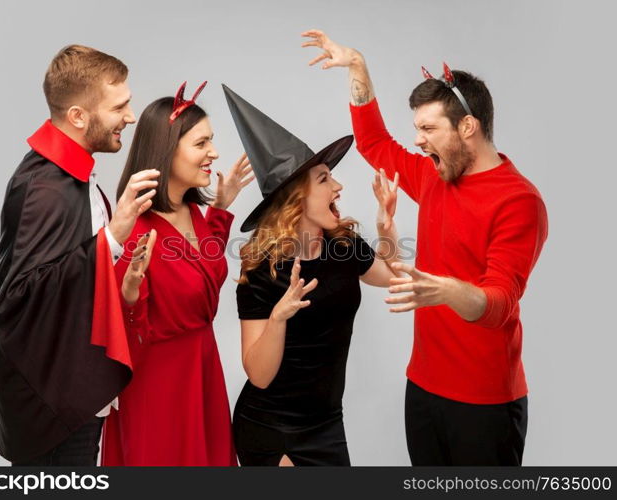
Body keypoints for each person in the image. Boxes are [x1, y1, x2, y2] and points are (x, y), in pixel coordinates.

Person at [302, 29, 549, 465]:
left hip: (485, 403)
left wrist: (446, 289)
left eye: (429, 129)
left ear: (468, 127)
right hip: (422, 388)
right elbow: (376, 144)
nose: (418, 140)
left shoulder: (519, 201)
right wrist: (357, 67)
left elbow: (499, 304)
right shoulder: (435, 177)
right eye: (417, 129)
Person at [0, 45, 161, 465]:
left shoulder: (69, 174)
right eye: (120, 106)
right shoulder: (44, 187)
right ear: (79, 116)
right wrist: (112, 237)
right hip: (54, 408)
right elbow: (22, 297)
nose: (131, 116)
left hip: (73, 397)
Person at [223, 85, 402, 466]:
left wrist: (387, 229)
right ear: (296, 199)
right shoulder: (261, 270)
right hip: (275, 429)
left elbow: (393, 276)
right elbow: (259, 375)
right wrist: (278, 317)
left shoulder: (344, 246)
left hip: (326, 425)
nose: (337, 185)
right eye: (323, 179)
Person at [100, 82, 254, 466]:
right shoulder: (134, 228)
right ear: (169, 150)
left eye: (211, 142)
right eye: (201, 144)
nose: (214, 153)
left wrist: (219, 211)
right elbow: (116, 329)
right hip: (159, 386)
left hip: (202, 369)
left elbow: (202, 273)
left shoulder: (195, 213)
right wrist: (130, 294)